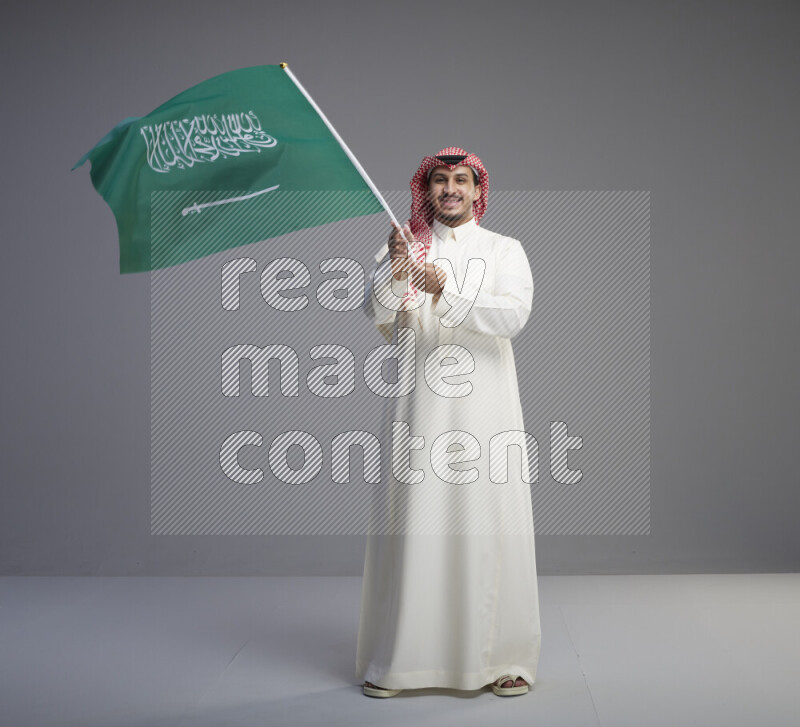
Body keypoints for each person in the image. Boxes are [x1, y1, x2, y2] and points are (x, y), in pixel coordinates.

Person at [355, 147, 541, 698]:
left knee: (489, 522)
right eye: (440, 180)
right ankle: (402, 662)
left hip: (485, 410)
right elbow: (377, 314)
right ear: (427, 189)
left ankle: (504, 658)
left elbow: (513, 316)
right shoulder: (403, 244)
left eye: (461, 180)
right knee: (414, 522)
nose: (450, 189)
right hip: (418, 408)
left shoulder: (504, 249)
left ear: (477, 190)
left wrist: (446, 289)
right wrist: (396, 272)